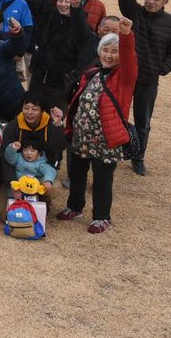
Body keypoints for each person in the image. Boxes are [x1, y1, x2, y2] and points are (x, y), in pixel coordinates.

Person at [57, 19, 137, 234]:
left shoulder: (124, 77)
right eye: (105, 50)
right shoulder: (92, 72)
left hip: (106, 139)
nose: (109, 55)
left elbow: (130, 59)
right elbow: (78, 101)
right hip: (81, 136)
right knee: (77, 173)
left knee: (102, 179)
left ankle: (102, 218)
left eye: (114, 51)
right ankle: (75, 207)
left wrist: (126, 34)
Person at [117, 0, 171, 175]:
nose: (150, 1)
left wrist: (163, 69)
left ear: (165, 2)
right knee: (118, 115)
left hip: (148, 80)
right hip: (126, 77)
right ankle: (113, 151)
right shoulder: (134, 12)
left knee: (143, 121)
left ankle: (138, 157)